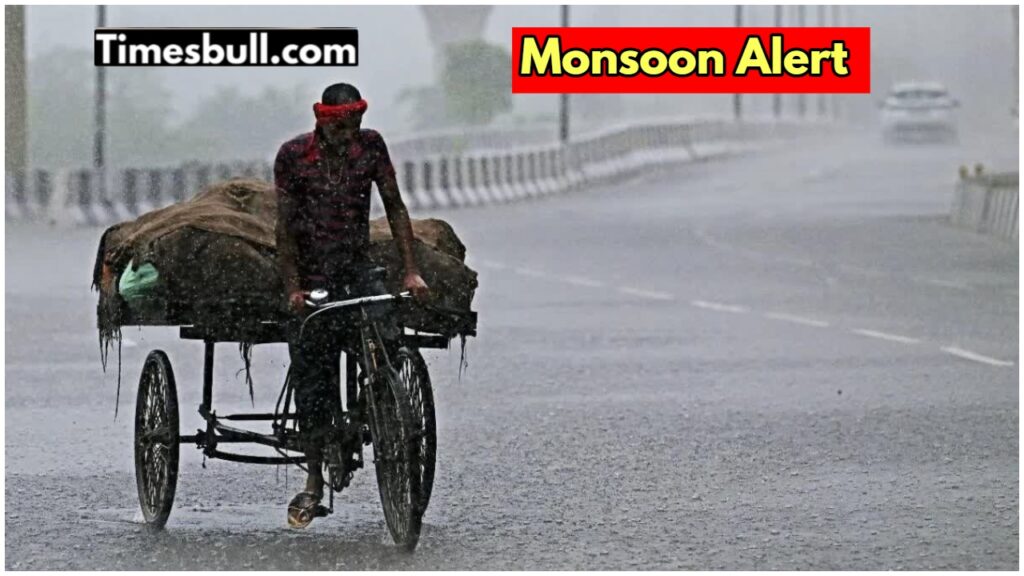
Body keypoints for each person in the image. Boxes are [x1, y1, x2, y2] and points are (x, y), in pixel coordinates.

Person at [274, 82, 429, 528]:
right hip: (312, 277)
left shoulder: (371, 147)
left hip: (357, 272)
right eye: (344, 123)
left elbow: (395, 207)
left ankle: (380, 405)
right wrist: (293, 288)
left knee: (388, 340)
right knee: (313, 370)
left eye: (357, 121)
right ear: (324, 120)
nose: (352, 131)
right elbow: (284, 229)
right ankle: (314, 479)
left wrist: (411, 270)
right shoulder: (293, 157)